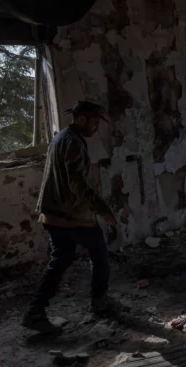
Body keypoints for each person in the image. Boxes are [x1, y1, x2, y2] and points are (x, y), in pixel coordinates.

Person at [21, 101, 119, 333]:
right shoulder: (73, 142)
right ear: (82, 119)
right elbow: (78, 185)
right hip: (71, 215)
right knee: (99, 255)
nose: (96, 127)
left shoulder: (61, 137)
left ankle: (35, 312)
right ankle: (100, 302)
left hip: (55, 213)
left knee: (61, 260)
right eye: (94, 122)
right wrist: (106, 213)